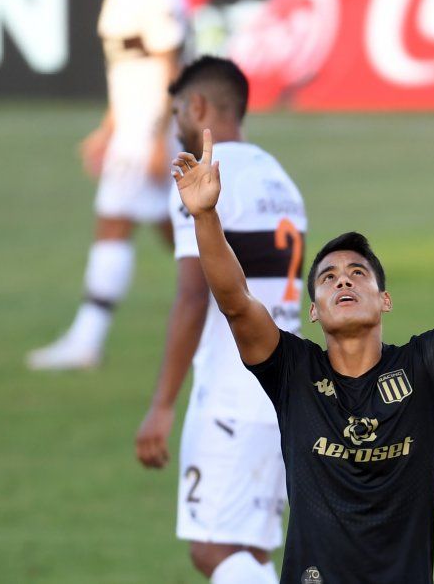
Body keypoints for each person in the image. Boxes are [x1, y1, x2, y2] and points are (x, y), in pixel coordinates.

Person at [171, 131, 434, 582]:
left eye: (358, 273)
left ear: (384, 300)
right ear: (312, 310)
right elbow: (236, 301)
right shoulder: (292, 373)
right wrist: (205, 216)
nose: (343, 282)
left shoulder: (425, 368)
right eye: (329, 277)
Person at [135, 57, 306, 583]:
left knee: (211, 550)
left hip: (233, 394)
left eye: (180, 109)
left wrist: (161, 405)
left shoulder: (202, 177)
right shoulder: (280, 179)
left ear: (202, 107)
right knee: (250, 554)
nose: (177, 123)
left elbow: (192, 297)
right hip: (284, 388)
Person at [29, 0, 190, 370]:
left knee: (118, 223)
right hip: (139, 133)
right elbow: (131, 76)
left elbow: (172, 65)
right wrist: (108, 129)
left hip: (155, 134)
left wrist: (163, 137)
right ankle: (244, 308)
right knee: (178, 232)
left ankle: (86, 340)